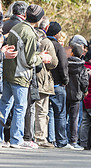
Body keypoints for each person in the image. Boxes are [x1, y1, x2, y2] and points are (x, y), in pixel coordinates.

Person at [0, 4, 51, 149]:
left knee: (4, 104)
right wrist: (41, 57)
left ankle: (0, 137)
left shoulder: (16, 27)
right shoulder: (29, 33)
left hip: (8, 72)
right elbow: (29, 60)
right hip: (20, 75)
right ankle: (16, 139)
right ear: (39, 19)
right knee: (20, 107)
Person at [33, 17, 59, 148]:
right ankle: (40, 137)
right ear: (46, 27)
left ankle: (28, 136)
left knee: (29, 109)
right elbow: (53, 63)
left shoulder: (31, 36)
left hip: (27, 77)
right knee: (42, 111)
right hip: (42, 79)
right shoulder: (46, 42)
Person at [47, 21, 70, 148]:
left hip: (45, 84)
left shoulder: (43, 44)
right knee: (60, 114)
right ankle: (61, 140)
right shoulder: (58, 47)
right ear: (56, 34)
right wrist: (65, 80)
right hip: (57, 84)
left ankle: (50, 139)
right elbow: (63, 66)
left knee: (49, 112)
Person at [65, 45, 89, 150]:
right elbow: (84, 82)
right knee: (74, 119)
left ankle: (62, 139)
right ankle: (73, 140)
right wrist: (84, 91)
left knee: (62, 117)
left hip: (65, 93)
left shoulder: (66, 64)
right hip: (77, 95)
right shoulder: (82, 67)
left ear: (72, 53)